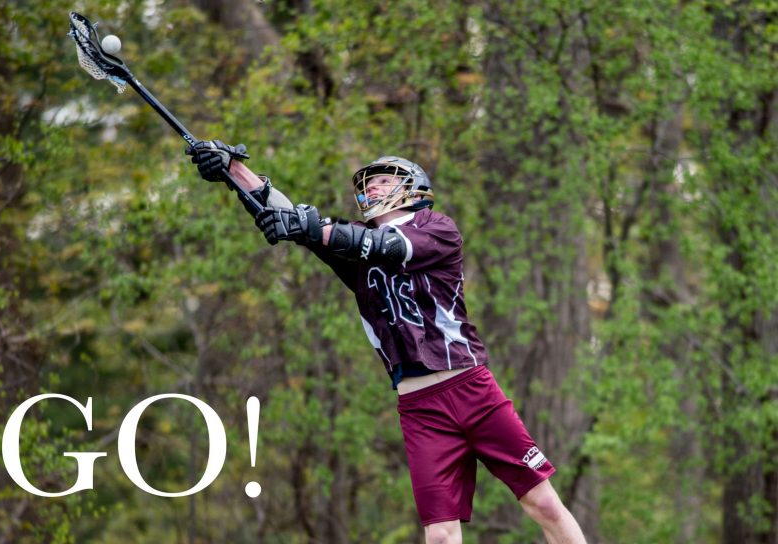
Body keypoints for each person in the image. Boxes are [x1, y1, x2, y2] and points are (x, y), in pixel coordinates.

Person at [186, 141, 587, 544]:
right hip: (419, 408)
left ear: (412, 187)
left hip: (472, 391)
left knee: (543, 504)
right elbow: (292, 219)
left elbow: (389, 246)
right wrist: (232, 169)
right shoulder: (353, 247)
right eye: (369, 185)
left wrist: (314, 229)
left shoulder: (437, 228)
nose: (372, 189)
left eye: (382, 181)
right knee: (441, 536)